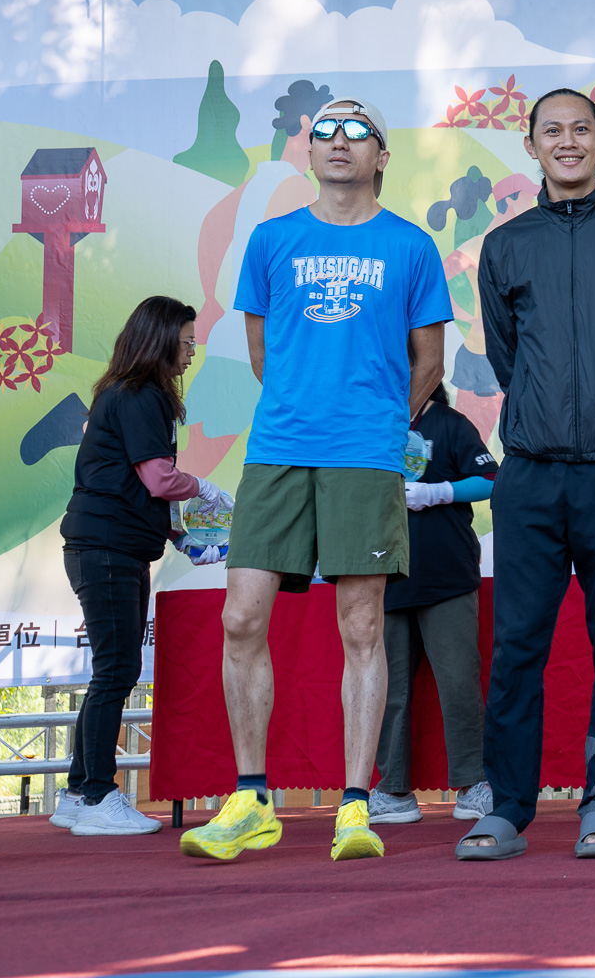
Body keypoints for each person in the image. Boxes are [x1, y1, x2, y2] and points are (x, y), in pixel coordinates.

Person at [179, 97, 451, 863]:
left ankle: (356, 805)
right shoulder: (272, 240)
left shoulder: (410, 246)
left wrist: (375, 424)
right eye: (325, 131)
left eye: (358, 131)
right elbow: (263, 354)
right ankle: (250, 800)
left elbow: (429, 362)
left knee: (361, 626)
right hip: (279, 449)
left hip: (365, 456)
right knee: (241, 617)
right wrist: (307, 407)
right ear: (308, 152)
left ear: (381, 156)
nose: (339, 141)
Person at [461, 88, 595, 861]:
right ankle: (508, 808)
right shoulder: (506, 245)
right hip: (530, 477)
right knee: (517, 647)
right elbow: (507, 356)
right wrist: (546, 421)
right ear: (530, 146)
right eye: (551, 131)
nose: (567, 141)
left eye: (580, 130)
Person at [55, 295, 232, 836]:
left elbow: (136, 484)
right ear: (160, 341)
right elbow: (158, 479)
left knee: (111, 670)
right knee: (116, 670)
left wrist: (181, 536)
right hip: (106, 548)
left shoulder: (130, 394)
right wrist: (204, 488)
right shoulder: (139, 395)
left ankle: (78, 792)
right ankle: (97, 795)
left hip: (113, 546)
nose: (192, 352)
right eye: (186, 342)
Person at [367, 384, 498, 825]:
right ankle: (392, 790)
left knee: (459, 681)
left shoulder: (450, 423)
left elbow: (492, 480)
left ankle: (473, 784)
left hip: (447, 576)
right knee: (388, 688)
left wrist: (438, 492)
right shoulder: (371, 424)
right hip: (384, 576)